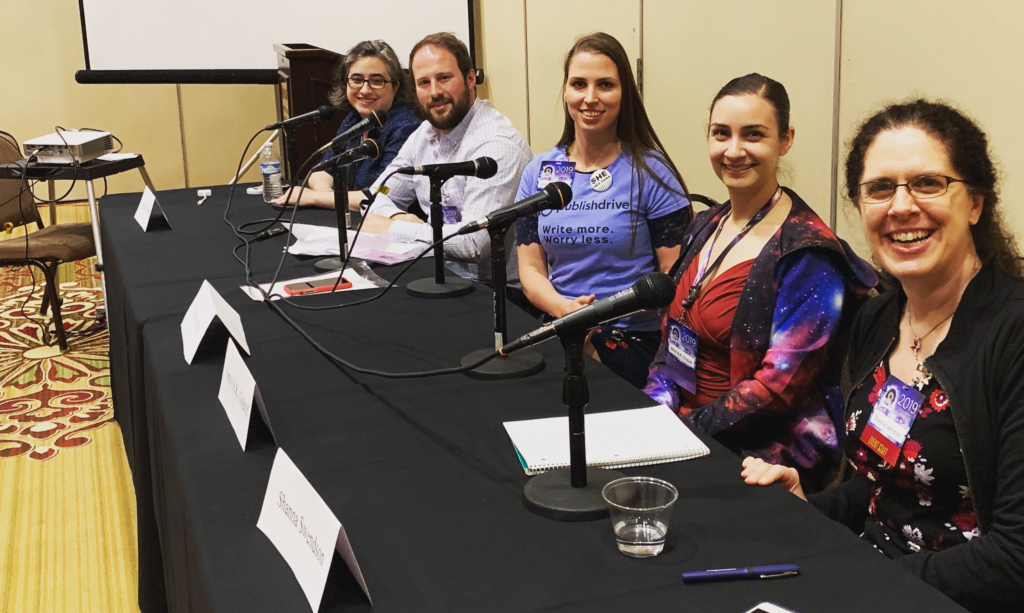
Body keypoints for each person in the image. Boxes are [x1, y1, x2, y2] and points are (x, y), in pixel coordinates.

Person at [741, 100, 1024, 612]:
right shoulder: (878, 318)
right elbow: (881, 489)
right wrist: (809, 504)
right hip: (870, 577)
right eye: (880, 189)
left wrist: (858, 583)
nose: (900, 207)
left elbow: (1014, 559)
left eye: (928, 184)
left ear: (976, 203)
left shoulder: (1013, 335)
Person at [644, 74, 877, 489]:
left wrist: (682, 430)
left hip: (760, 455)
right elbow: (670, 337)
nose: (734, 151)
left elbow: (778, 388)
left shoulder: (807, 252)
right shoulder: (704, 224)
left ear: (785, 140)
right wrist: (657, 407)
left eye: (753, 135)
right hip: (684, 431)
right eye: (721, 134)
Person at [514, 33, 691, 389]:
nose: (590, 98)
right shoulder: (539, 171)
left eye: (605, 85)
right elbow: (531, 269)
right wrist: (565, 310)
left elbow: (677, 279)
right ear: (565, 90)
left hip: (630, 335)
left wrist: (595, 319)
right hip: (558, 321)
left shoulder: (651, 172)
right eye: (579, 84)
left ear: (624, 93)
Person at [359, 33, 533, 284]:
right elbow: (379, 193)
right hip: (440, 276)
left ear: (470, 79)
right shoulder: (425, 133)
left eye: (444, 78)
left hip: (497, 295)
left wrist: (392, 228)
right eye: (424, 83)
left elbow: (473, 243)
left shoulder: (497, 145)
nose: (435, 92)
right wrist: (396, 216)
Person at [275, 40, 420, 210]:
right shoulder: (355, 119)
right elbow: (321, 170)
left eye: (377, 81)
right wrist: (325, 194)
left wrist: (316, 197)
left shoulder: (407, 127)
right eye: (356, 79)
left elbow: (382, 193)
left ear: (395, 87)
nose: (365, 90)